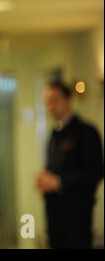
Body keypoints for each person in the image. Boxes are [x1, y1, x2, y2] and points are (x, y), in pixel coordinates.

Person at [37, 80, 104, 248]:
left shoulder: (86, 132)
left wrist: (59, 182)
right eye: (48, 101)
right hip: (54, 215)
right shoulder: (54, 133)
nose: (51, 106)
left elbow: (95, 172)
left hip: (76, 216)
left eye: (55, 100)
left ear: (68, 100)